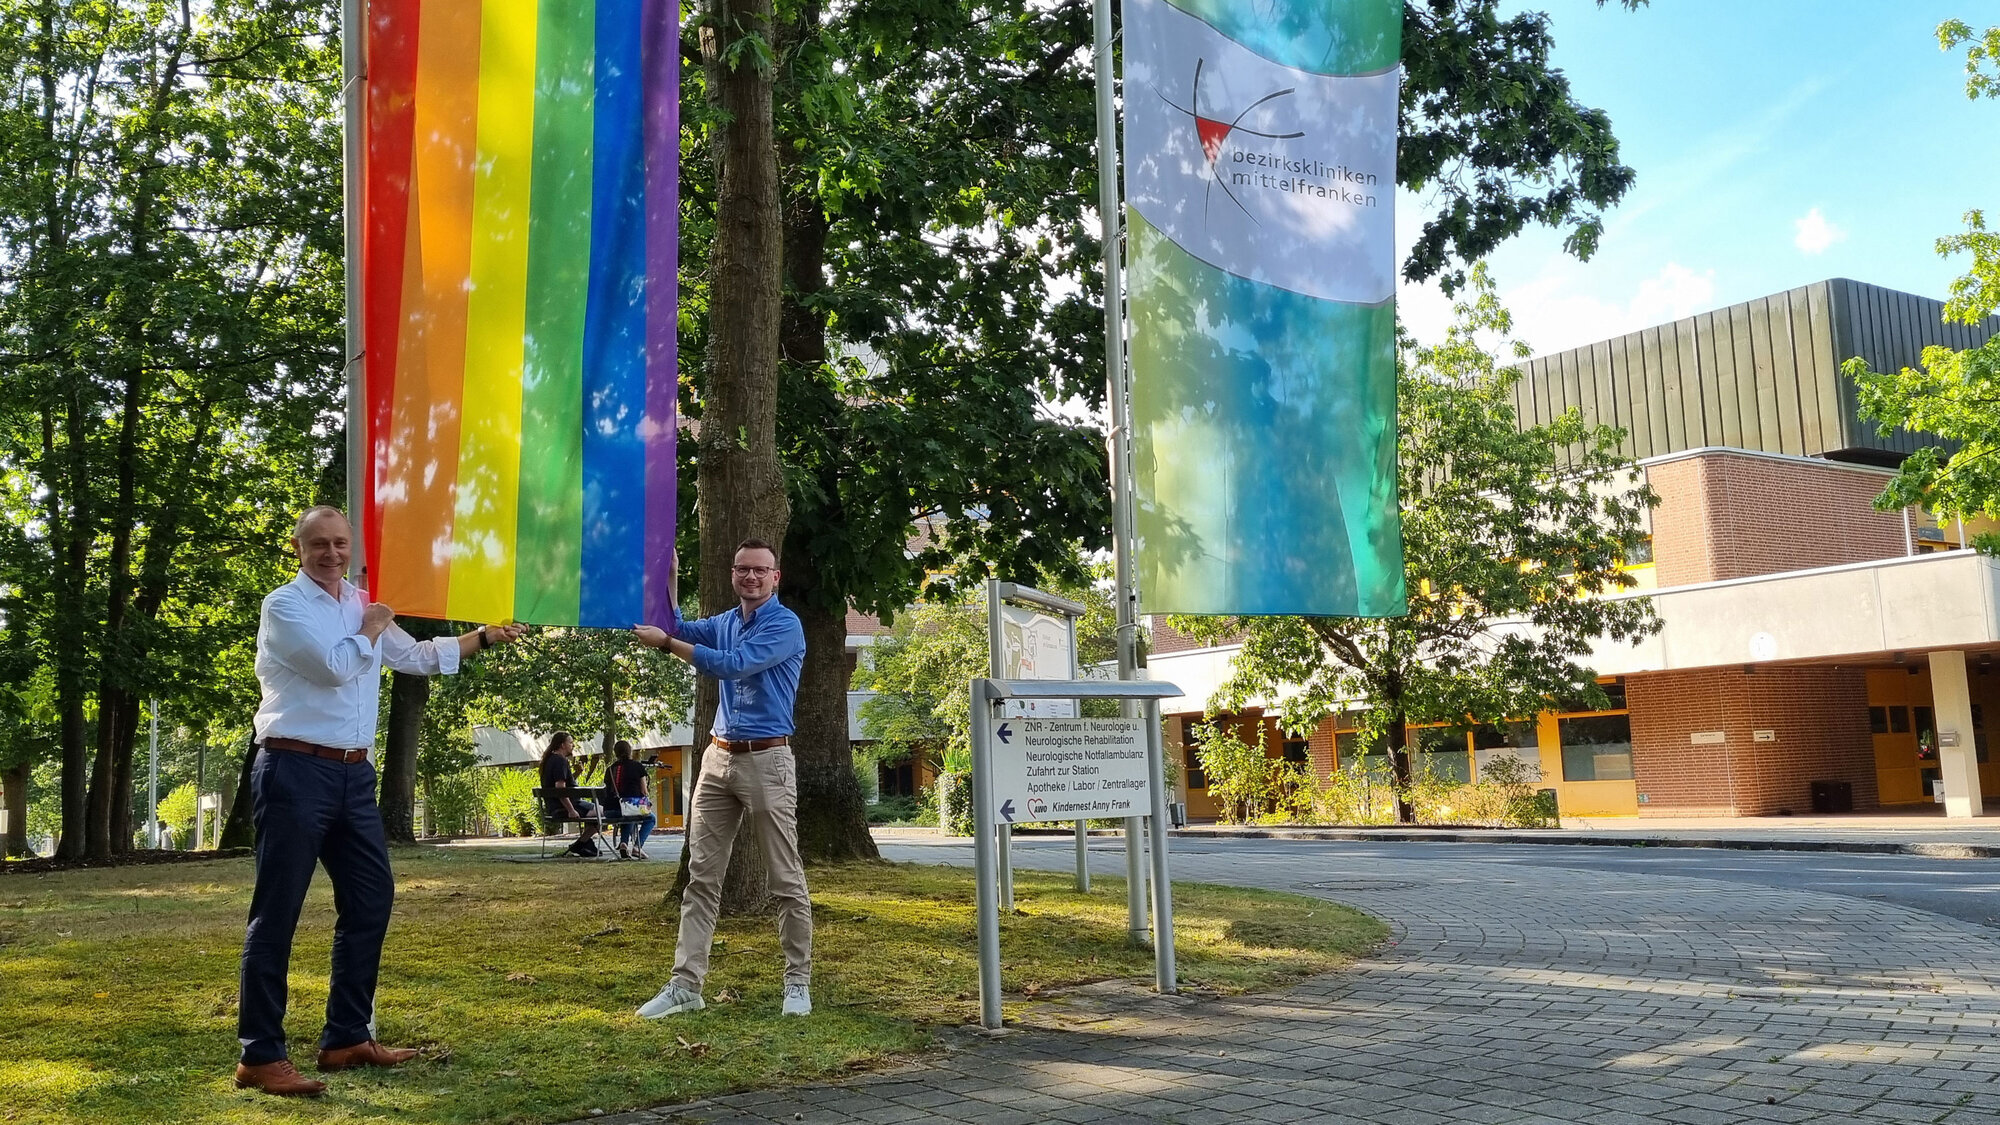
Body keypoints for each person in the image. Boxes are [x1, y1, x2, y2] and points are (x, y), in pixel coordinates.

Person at [234, 506, 524, 1098]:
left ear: (352, 547)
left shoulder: (361, 602)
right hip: (293, 769)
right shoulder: (284, 607)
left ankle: (346, 1036)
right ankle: (260, 1055)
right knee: (278, 910)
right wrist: (370, 625)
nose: (332, 554)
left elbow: (414, 656)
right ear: (298, 549)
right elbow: (335, 669)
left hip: (353, 775)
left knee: (371, 898)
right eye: (319, 544)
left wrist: (484, 636)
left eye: (341, 543)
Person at [631, 538, 811, 1018]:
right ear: (732, 574)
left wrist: (666, 644)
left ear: (775, 577)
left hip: (768, 760)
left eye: (760, 570)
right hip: (717, 758)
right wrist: (669, 576)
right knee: (701, 879)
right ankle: (685, 986)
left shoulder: (785, 625)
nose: (750, 576)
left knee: (784, 878)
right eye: (742, 569)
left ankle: (797, 982)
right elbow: (675, 627)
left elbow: (732, 665)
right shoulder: (725, 622)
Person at [538, 732, 603, 856]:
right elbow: (560, 788)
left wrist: (576, 773)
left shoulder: (549, 760)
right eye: (570, 742)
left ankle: (585, 843)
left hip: (553, 806)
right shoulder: (560, 761)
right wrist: (571, 810)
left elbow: (563, 784)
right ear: (562, 745)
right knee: (602, 812)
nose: (573, 745)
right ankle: (581, 844)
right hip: (564, 807)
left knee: (596, 812)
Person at [606, 740, 656, 859]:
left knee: (628, 812)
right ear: (630, 752)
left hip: (610, 810)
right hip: (628, 808)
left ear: (615, 753)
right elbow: (644, 791)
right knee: (649, 818)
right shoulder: (637, 766)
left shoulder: (610, 769)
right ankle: (637, 847)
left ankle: (623, 843)